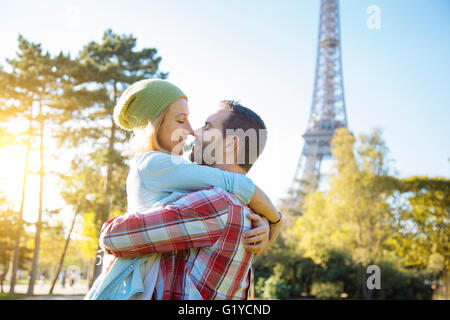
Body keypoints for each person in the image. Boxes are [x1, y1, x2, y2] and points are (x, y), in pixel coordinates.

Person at [85, 80, 281, 300]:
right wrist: (271, 218)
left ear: (230, 144)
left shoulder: (216, 203)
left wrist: (272, 218)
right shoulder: (247, 211)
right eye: (181, 120)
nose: (193, 132)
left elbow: (114, 237)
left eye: (207, 127)